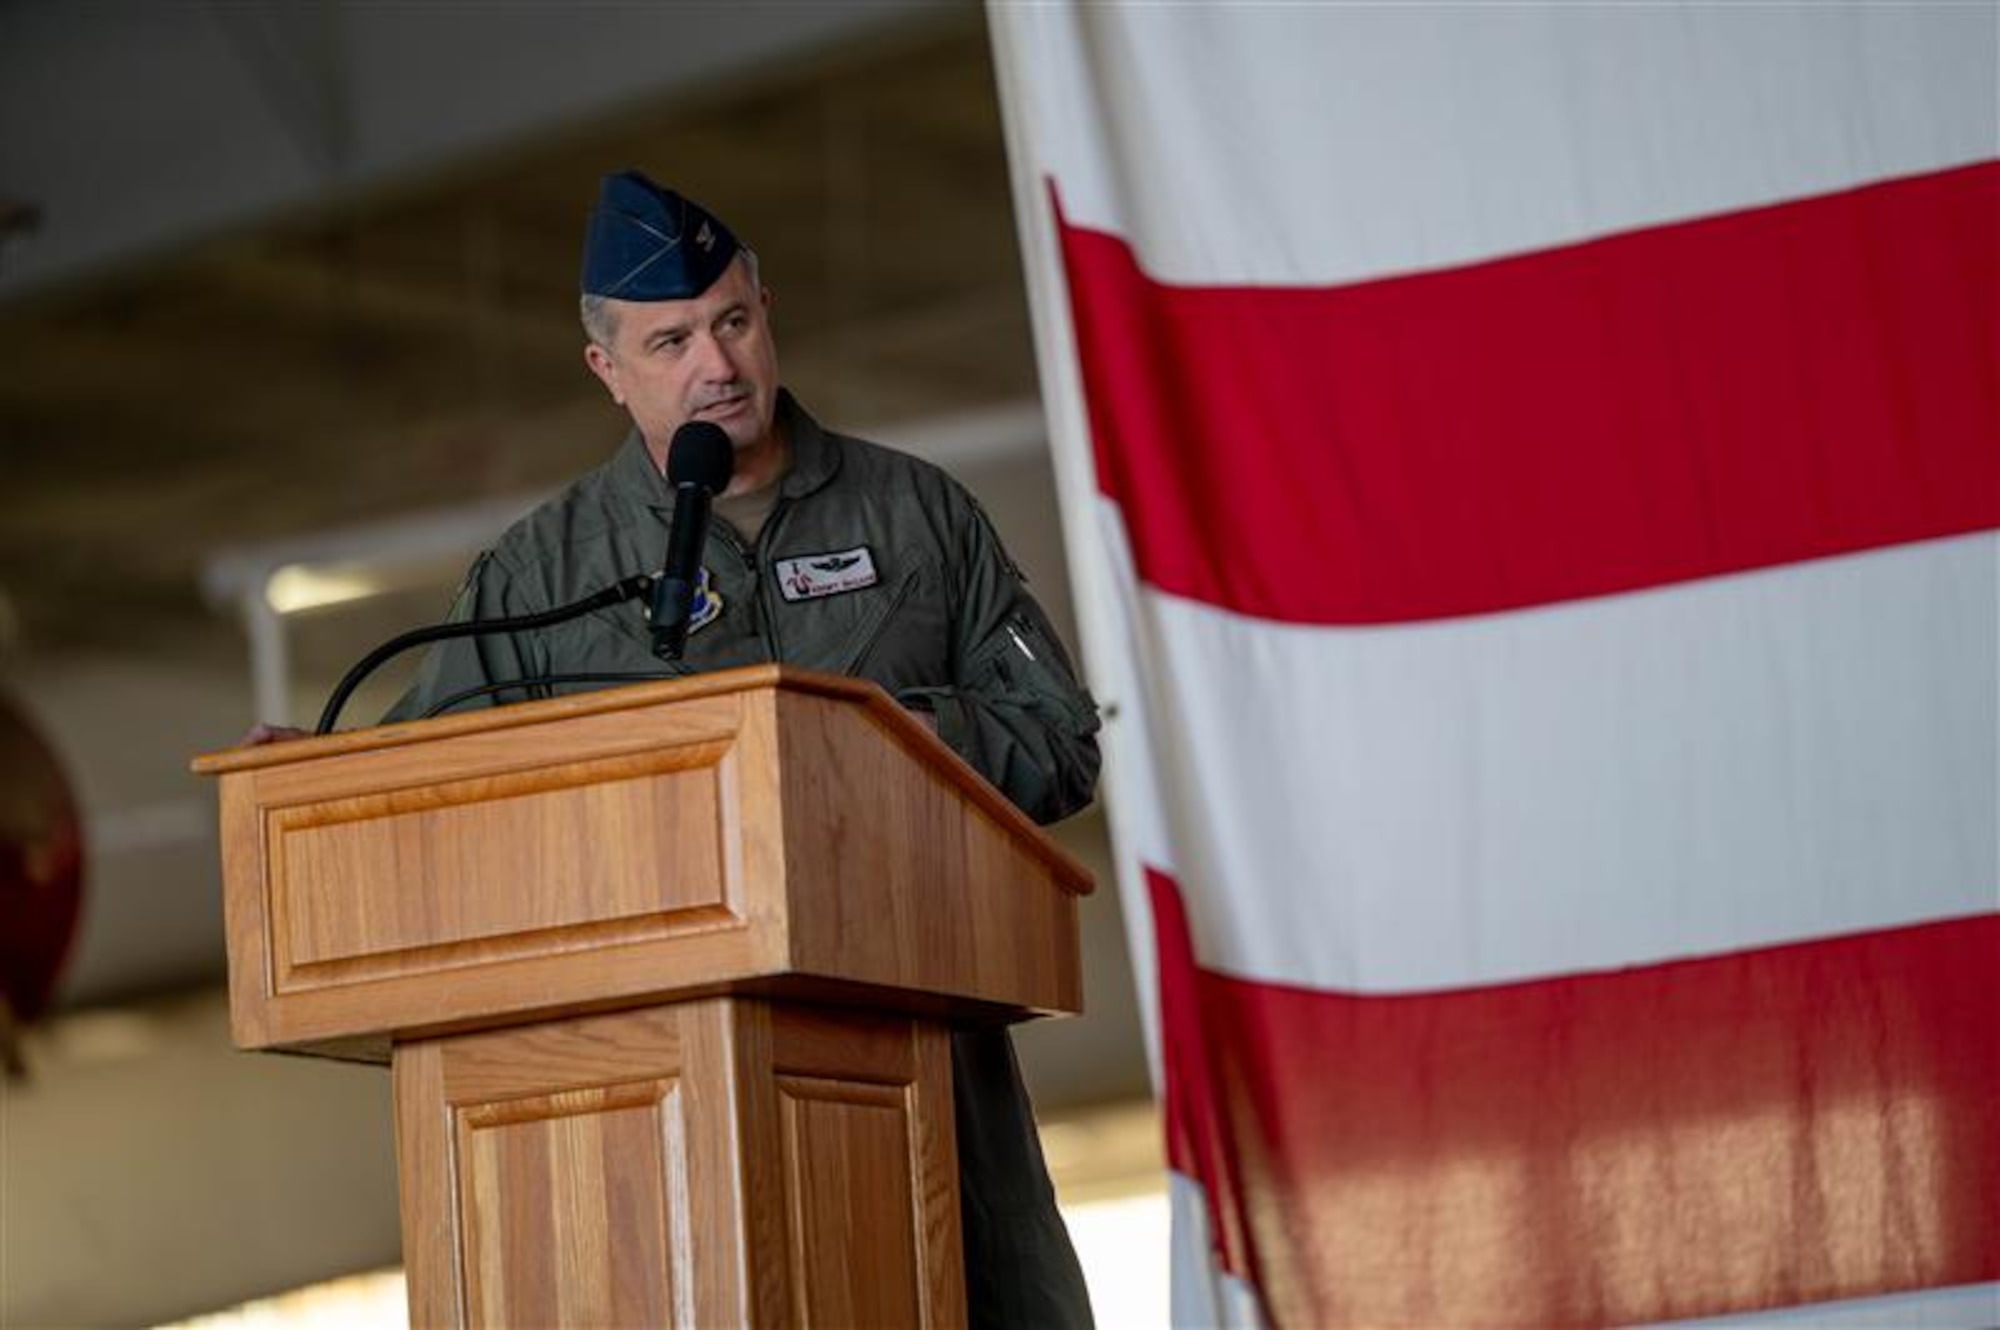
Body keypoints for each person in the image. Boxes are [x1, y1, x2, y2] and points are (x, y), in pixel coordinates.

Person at [385, 171, 1101, 1325]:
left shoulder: (914, 514)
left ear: (768, 312)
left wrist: (882, 746)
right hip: (653, 1099)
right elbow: (431, 799)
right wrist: (324, 777)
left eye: (730, 321)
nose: (713, 364)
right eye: (668, 341)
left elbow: (1060, 742)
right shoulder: (540, 574)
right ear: (607, 373)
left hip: (920, 1051)